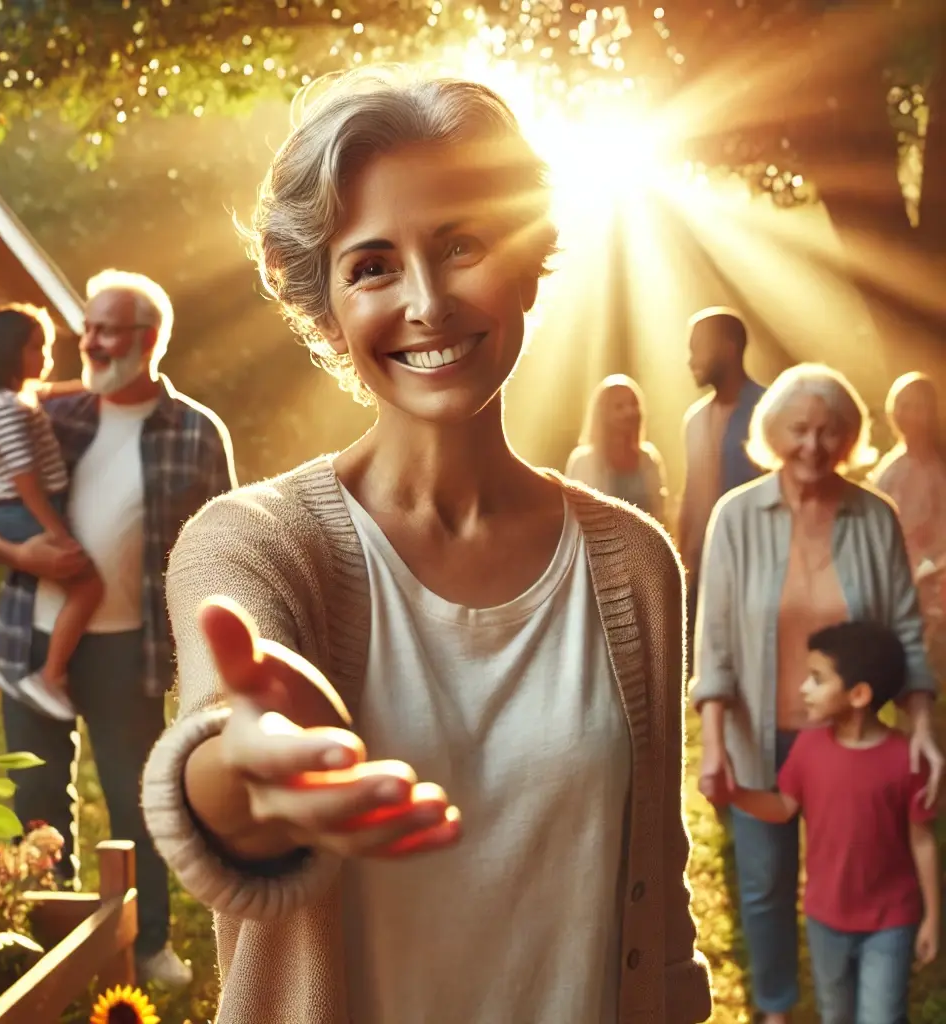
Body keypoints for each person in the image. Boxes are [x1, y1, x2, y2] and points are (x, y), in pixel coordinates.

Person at [141, 68, 711, 1024]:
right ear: (325, 306)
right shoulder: (253, 545)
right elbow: (220, 744)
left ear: (529, 260)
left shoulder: (635, 566)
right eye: (372, 266)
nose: (427, 301)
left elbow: (661, 898)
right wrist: (248, 766)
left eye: (461, 246)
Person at [0, 270, 237, 988]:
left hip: (129, 651)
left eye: (108, 329)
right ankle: (46, 943)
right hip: (32, 641)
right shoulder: (50, 416)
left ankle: (145, 941)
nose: (89, 340)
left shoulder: (195, 431)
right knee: (36, 801)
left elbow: (220, 548)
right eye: (86, 326)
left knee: (134, 799)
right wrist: (17, 549)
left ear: (149, 340)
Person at [690, 362, 942, 1024]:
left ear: (848, 438)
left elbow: (907, 636)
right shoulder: (736, 518)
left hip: (853, 740)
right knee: (764, 882)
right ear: (774, 433)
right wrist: (714, 747)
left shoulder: (874, 517)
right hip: (757, 735)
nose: (813, 445)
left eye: (830, 432)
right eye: (799, 429)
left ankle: (866, 978)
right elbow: (713, 643)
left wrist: (920, 729)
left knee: (859, 874)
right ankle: (774, 1007)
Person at [730, 620, 940, 1024]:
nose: (804, 689)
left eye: (817, 679)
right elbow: (783, 808)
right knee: (835, 1015)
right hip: (825, 919)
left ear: (859, 694)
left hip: (891, 922)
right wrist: (734, 795)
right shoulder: (808, 749)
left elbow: (923, 840)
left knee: (881, 1017)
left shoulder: (905, 760)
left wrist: (932, 916)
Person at [0, 304, 103, 721]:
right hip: (20, 509)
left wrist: (96, 385)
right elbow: (26, 480)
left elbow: (49, 391)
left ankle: (52, 668)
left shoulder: (14, 396)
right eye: (37, 347)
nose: (46, 356)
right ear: (10, 351)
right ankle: (50, 675)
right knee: (88, 583)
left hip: (17, 508)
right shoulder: (7, 408)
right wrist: (55, 531)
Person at [677, 307, 766, 640]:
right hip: (702, 572)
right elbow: (689, 492)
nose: (690, 359)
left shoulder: (768, 411)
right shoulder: (695, 419)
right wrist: (683, 561)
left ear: (728, 348)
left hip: (754, 571)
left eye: (697, 347)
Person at [871, 372, 946, 657]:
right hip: (894, 570)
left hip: (930, 575)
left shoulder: (937, 469)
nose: (908, 414)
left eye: (918, 406)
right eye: (903, 405)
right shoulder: (890, 467)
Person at [565, 373, 668, 523]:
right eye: (619, 407)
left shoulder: (649, 458)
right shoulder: (582, 462)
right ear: (602, 414)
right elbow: (574, 519)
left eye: (634, 404)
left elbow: (660, 517)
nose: (630, 412)